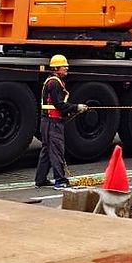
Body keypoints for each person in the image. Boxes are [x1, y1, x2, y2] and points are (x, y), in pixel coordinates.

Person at [34, 55, 87, 190]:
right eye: (64, 66)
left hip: (47, 121)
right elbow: (59, 105)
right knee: (56, 150)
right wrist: (76, 107)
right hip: (53, 122)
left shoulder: (51, 81)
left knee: (47, 150)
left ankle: (40, 179)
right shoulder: (55, 83)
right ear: (56, 68)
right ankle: (60, 181)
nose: (67, 68)